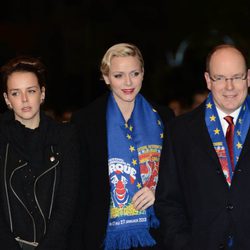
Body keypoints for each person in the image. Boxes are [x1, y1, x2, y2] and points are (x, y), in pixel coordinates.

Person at [71, 43, 174, 250]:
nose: (128, 82)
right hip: (102, 235)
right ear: (106, 78)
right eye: (118, 75)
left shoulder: (164, 116)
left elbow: (177, 176)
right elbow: (78, 187)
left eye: (134, 73)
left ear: (143, 73)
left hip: (156, 232)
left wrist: (157, 189)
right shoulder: (85, 120)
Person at [154, 43, 250, 250]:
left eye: (236, 77)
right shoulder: (179, 132)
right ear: (208, 80)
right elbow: (168, 201)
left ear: (248, 77)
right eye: (220, 78)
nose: (230, 86)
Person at [0, 56, 80, 250]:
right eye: (16, 93)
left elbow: (67, 203)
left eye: (31, 91)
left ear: (42, 94)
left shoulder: (65, 137)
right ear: (7, 99)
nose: (25, 99)